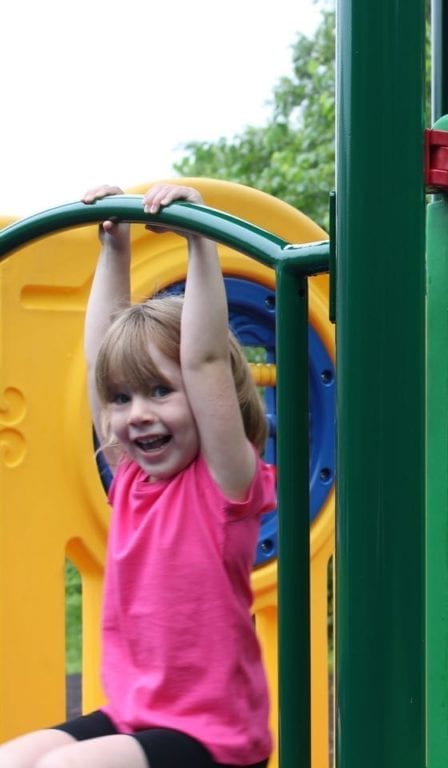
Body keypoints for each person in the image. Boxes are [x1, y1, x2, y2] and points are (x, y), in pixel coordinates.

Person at [0, 184, 275, 768]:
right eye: (122, 400)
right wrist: (113, 245)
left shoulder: (223, 484)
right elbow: (103, 357)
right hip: (134, 715)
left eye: (159, 392)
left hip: (214, 738)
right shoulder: (131, 477)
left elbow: (202, 363)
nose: (137, 414)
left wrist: (201, 243)